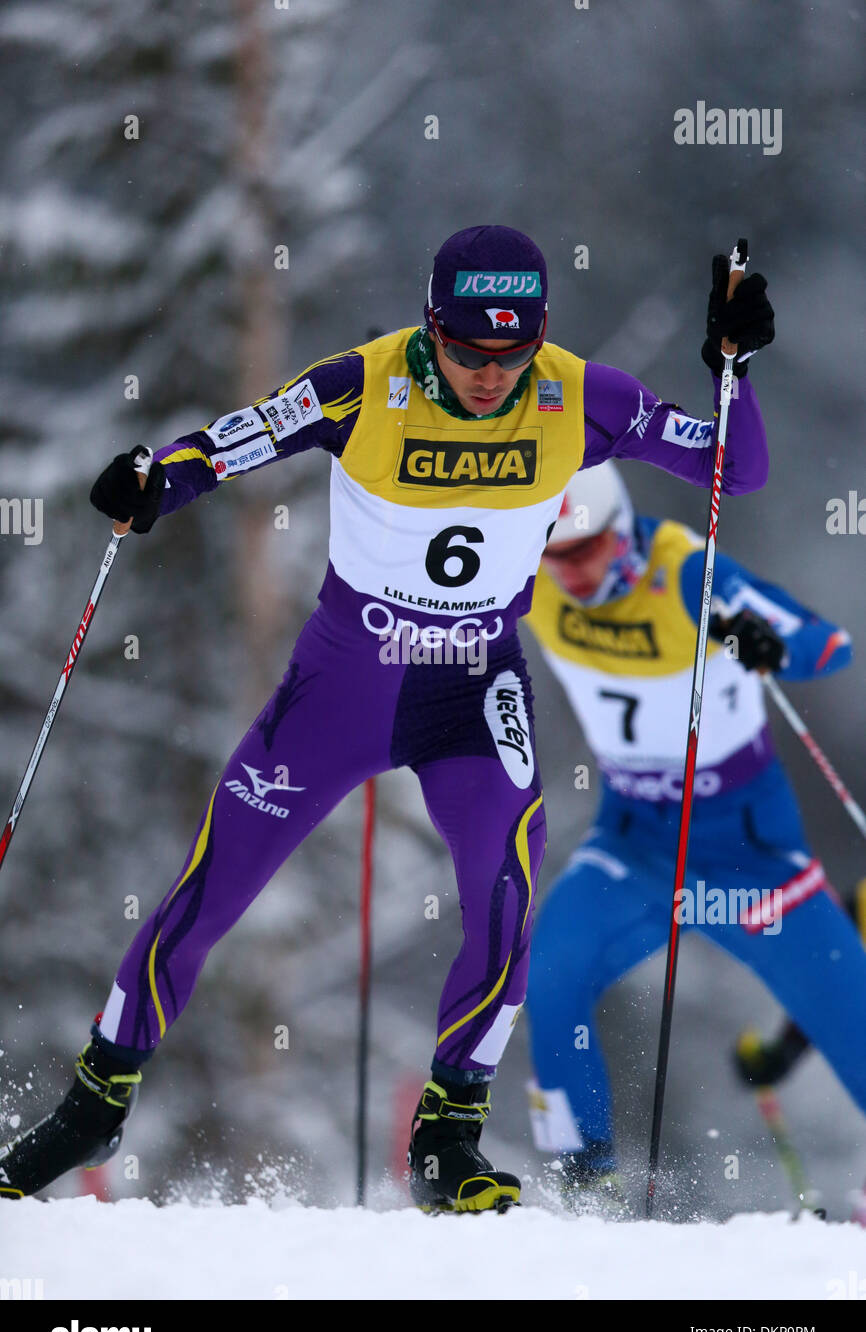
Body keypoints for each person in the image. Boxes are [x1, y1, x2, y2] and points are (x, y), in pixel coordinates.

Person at [0, 226, 774, 1213]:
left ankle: (447, 1136)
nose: (489, 377)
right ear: (428, 326)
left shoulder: (578, 395)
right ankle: (91, 1105)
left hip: (472, 685)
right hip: (344, 684)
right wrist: (151, 480)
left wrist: (730, 370)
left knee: (504, 890)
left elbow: (729, 472)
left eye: (509, 355)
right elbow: (232, 441)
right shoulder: (360, 384)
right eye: (464, 353)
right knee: (210, 888)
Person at [521, 459, 864, 1211]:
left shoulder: (686, 572)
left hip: (746, 852)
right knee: (548, 972)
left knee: (855, 1019)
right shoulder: (528, 570)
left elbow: (824, 642)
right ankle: (585, 1186)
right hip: (635, 842)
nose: (571, 574)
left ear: (624, 534)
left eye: (585, 552)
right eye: (555, 557)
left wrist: (765, 643)